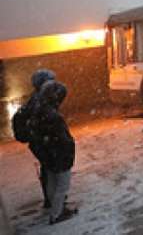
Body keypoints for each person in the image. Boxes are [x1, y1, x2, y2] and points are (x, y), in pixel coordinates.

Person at [30, 80, 77, 225]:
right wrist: (68, 152)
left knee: (52, 182)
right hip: (58, 155)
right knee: (62, 185)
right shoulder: (52, 116)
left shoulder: (39, 111)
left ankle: (55, 210)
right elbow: (62, 139)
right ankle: (57, 213)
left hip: (48, 155)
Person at [11, 69, 57, 208]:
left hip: (40, 140)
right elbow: (42, 121)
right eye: (50, 81)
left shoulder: (38, 98)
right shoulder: (39, 100)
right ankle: (52, 200)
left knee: (49, 167)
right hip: (41, 141)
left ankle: (51, 198)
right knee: (50, 168)